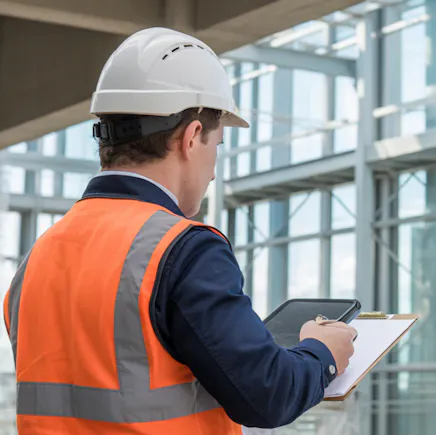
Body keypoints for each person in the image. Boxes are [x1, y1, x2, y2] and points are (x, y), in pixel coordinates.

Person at [2, 27, 357, 434]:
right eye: (217, 145)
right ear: (191, 138)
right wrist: (321, 353)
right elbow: (268, 395)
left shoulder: (38, 257)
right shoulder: (183, 249)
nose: (214, 169)